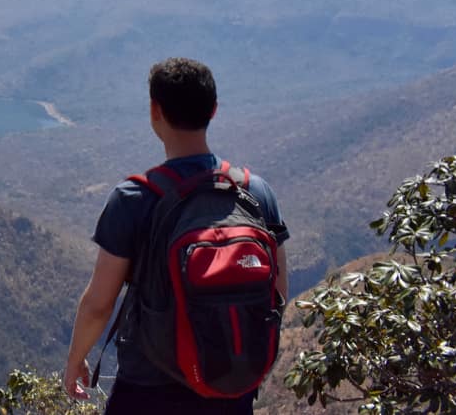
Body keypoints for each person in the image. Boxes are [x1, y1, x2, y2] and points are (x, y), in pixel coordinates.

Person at [63, 57, 289, 414]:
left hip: (148, 389)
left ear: (155, 111)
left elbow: (99, 304)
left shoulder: (134, 199)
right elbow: (275, 292)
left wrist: (76, 358)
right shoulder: (256, 193)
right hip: (230, 384)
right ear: (213, 111)